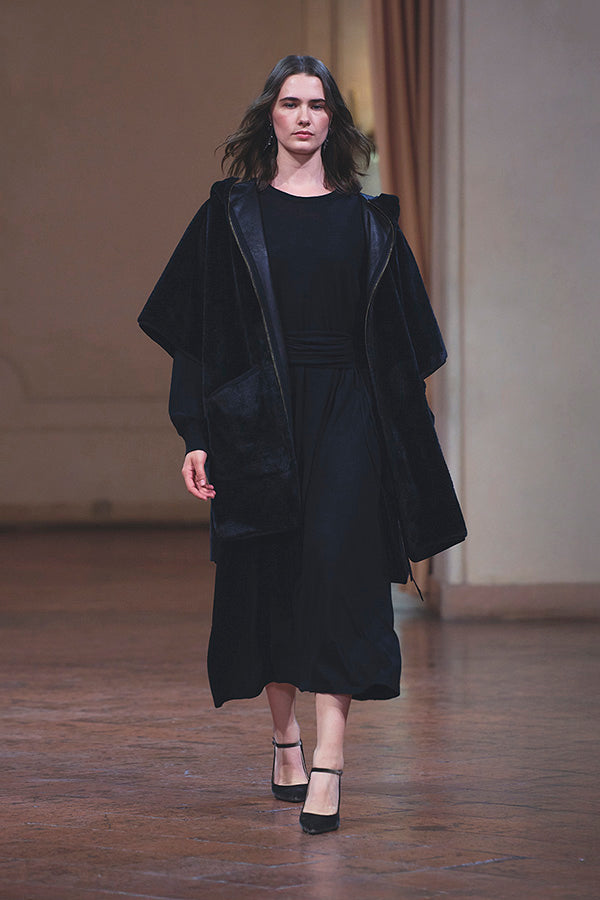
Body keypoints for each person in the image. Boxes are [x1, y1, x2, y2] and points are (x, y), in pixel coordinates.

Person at [138, 54, 466, 835]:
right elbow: (199, 335)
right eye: (291, 103)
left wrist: (401, 445)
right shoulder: (230, 214)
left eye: (318, 104)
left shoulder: (370, 222)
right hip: (259, 419)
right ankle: (285, 741)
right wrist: (195, 434)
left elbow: (405, 345)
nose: (305, 116)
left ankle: (330, 763)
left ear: (333, 121)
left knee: (342, 580)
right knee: (272, 579)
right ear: (271, 117)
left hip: (349, 414)